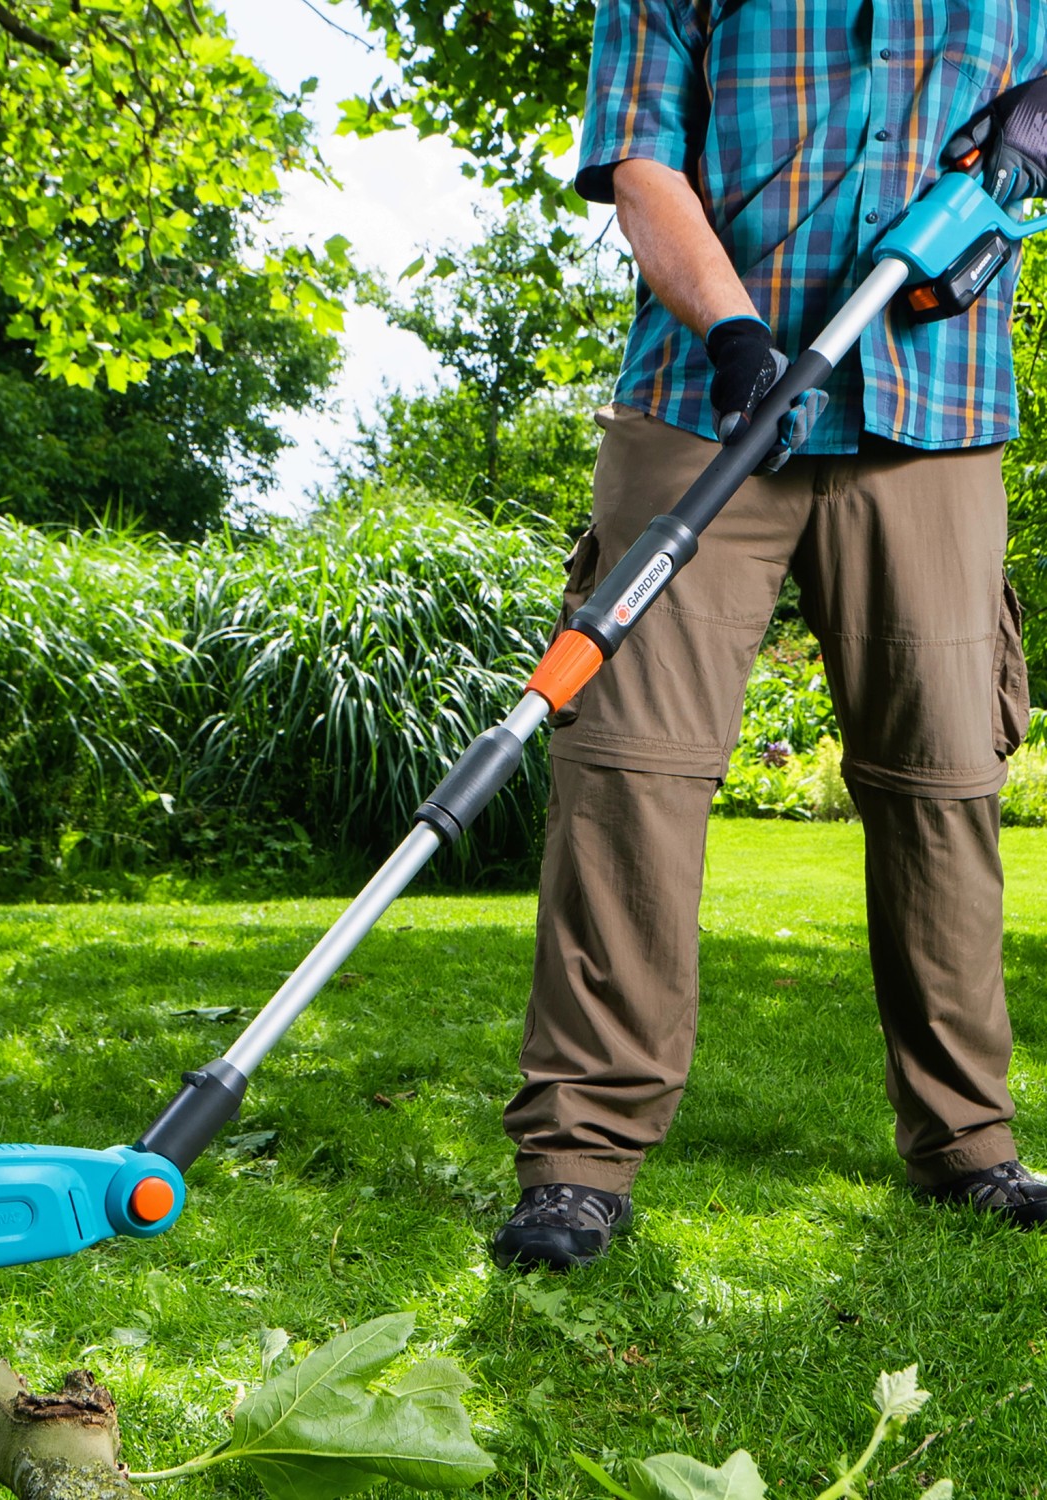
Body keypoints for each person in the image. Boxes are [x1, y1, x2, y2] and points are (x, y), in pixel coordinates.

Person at [492, 2, 1047, 1272]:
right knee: (629, 769)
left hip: (937, 413)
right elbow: (640, 162)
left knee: (944, 780)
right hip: (703, 402)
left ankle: (969, 1142)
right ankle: (579, 1158)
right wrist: (735, 331)